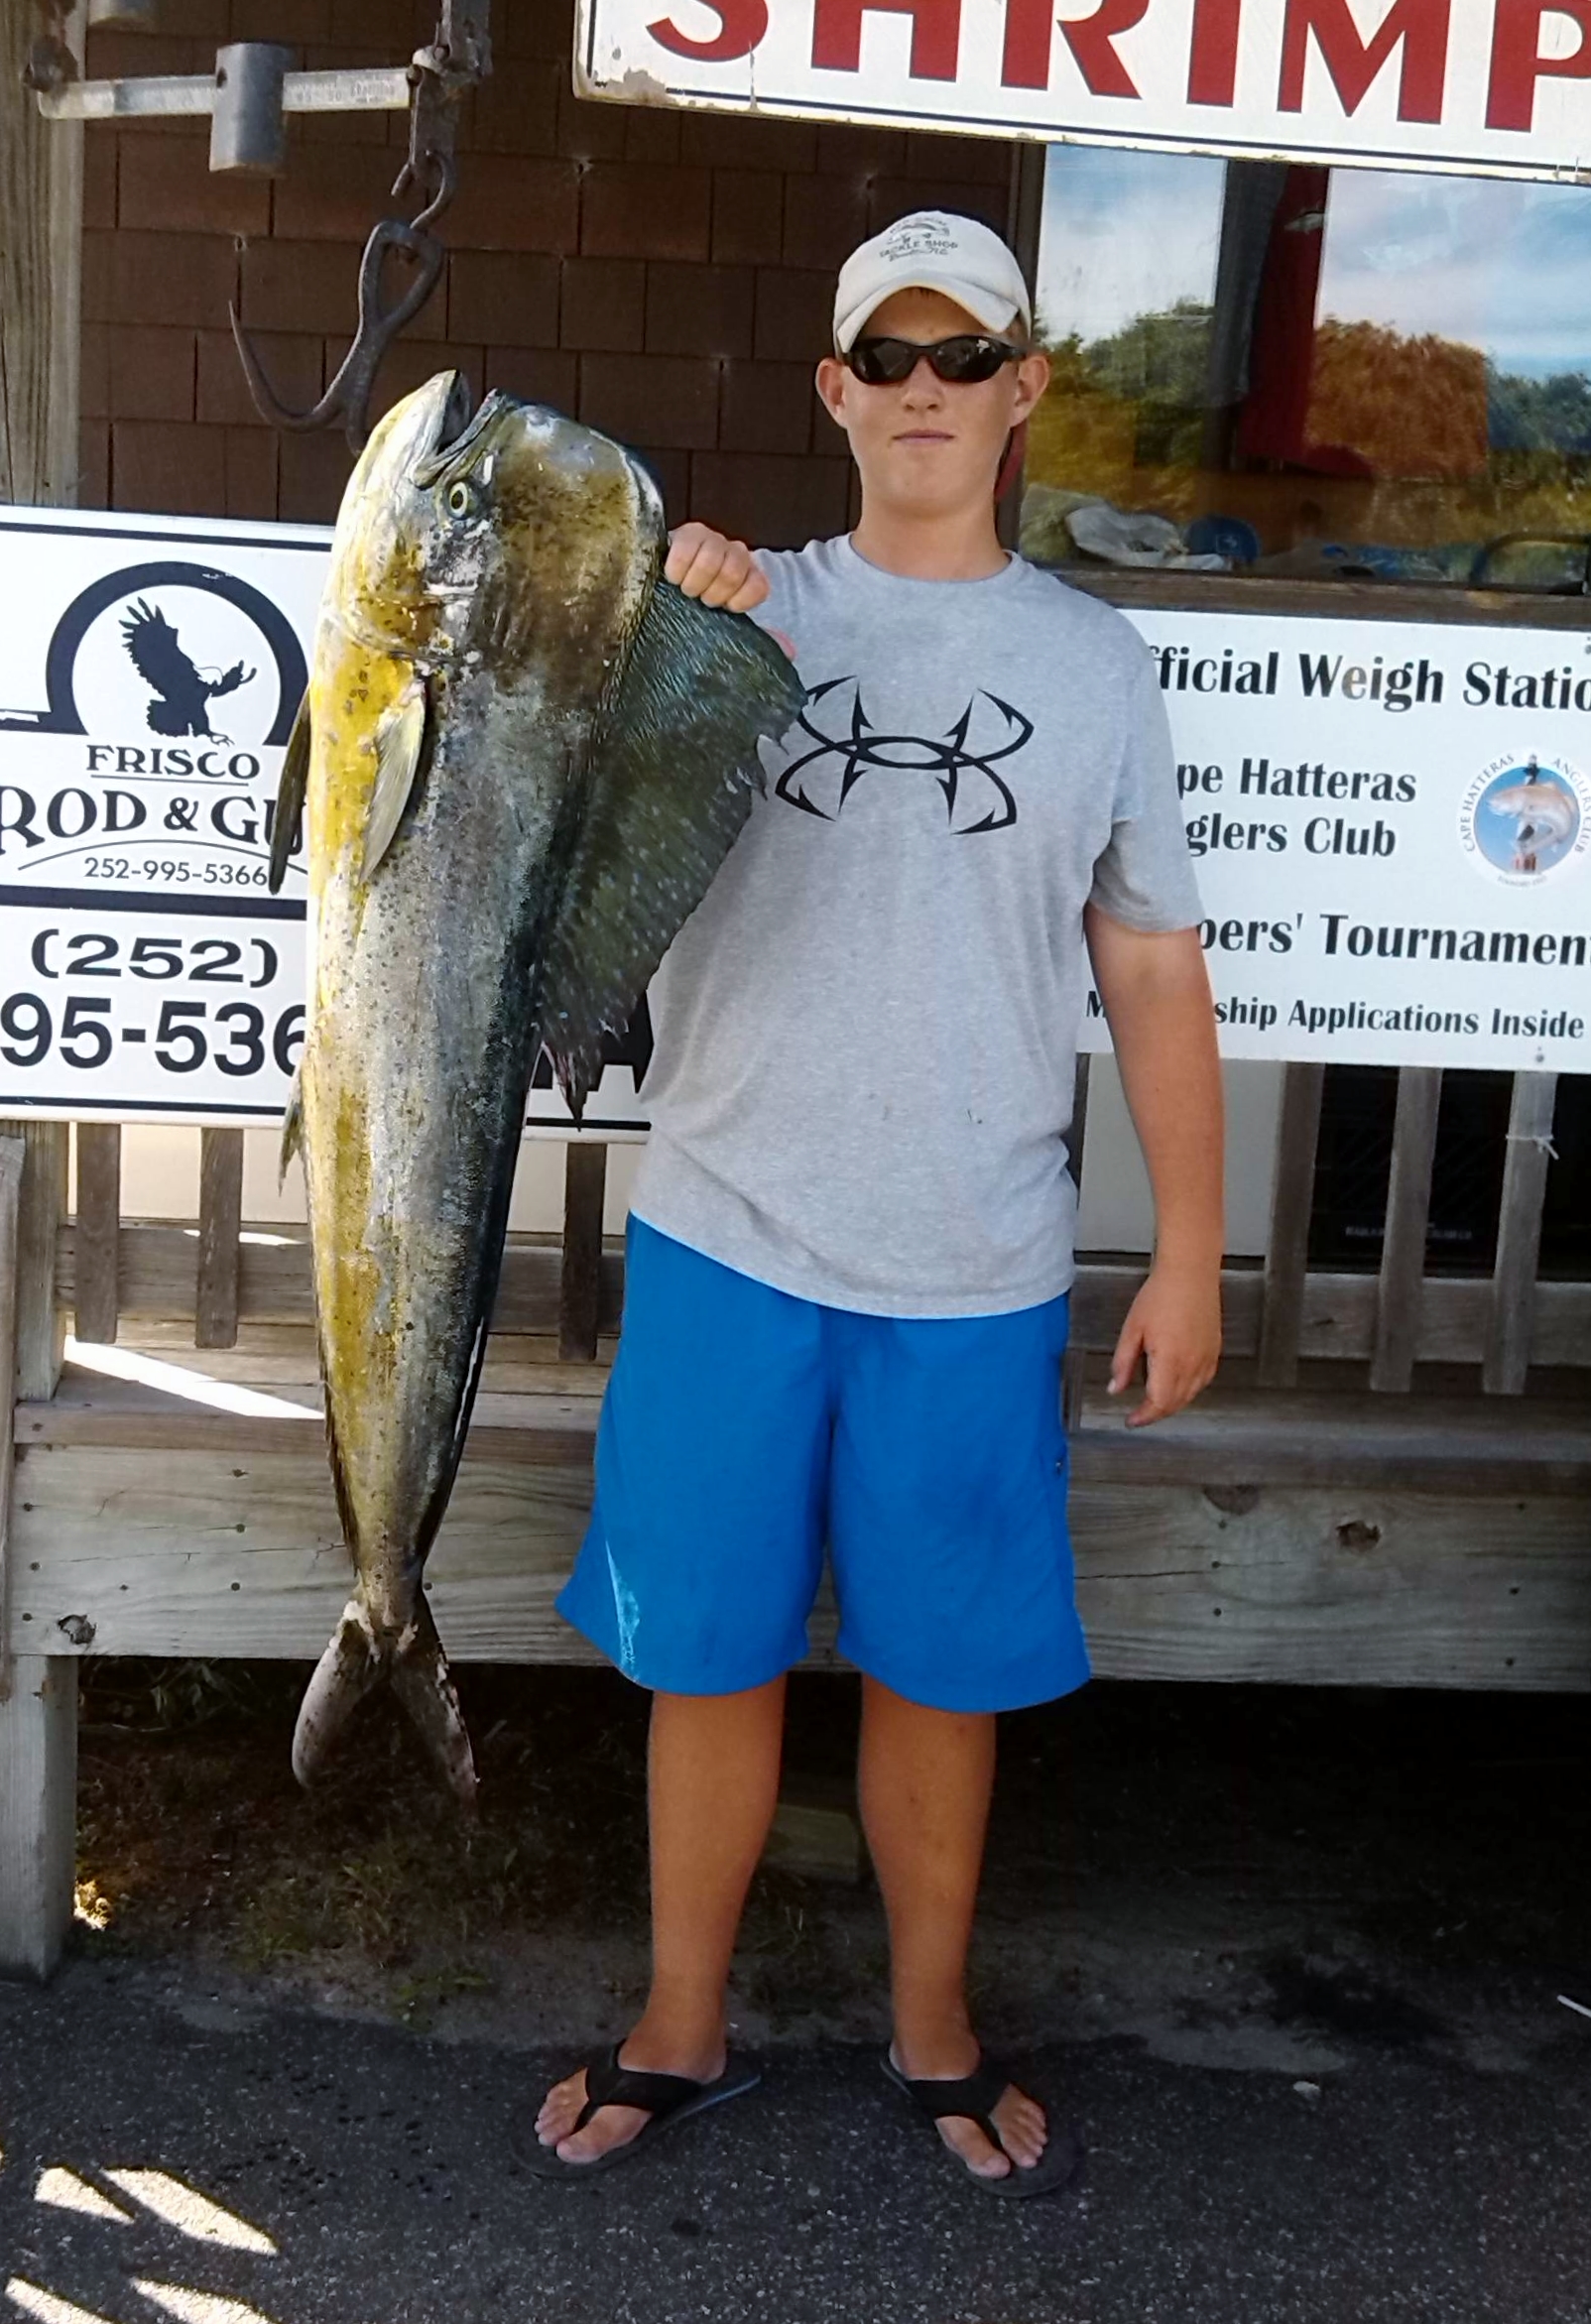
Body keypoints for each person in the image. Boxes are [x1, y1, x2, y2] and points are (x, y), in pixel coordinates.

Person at [529, 212, 1224, 2193]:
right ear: (836, 388)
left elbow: (1156, 965)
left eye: (963, 351)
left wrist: (1186, 1241)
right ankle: (683, 2013)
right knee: (709, 1650)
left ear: (1025, 387)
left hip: (976, 1258)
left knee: (943, 1665)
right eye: (886, 354)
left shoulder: (1096, 667)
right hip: (731, 1228)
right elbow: (556, 820)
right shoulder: (730, 610)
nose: (924, 386)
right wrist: (650, 624)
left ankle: (933, 2023)